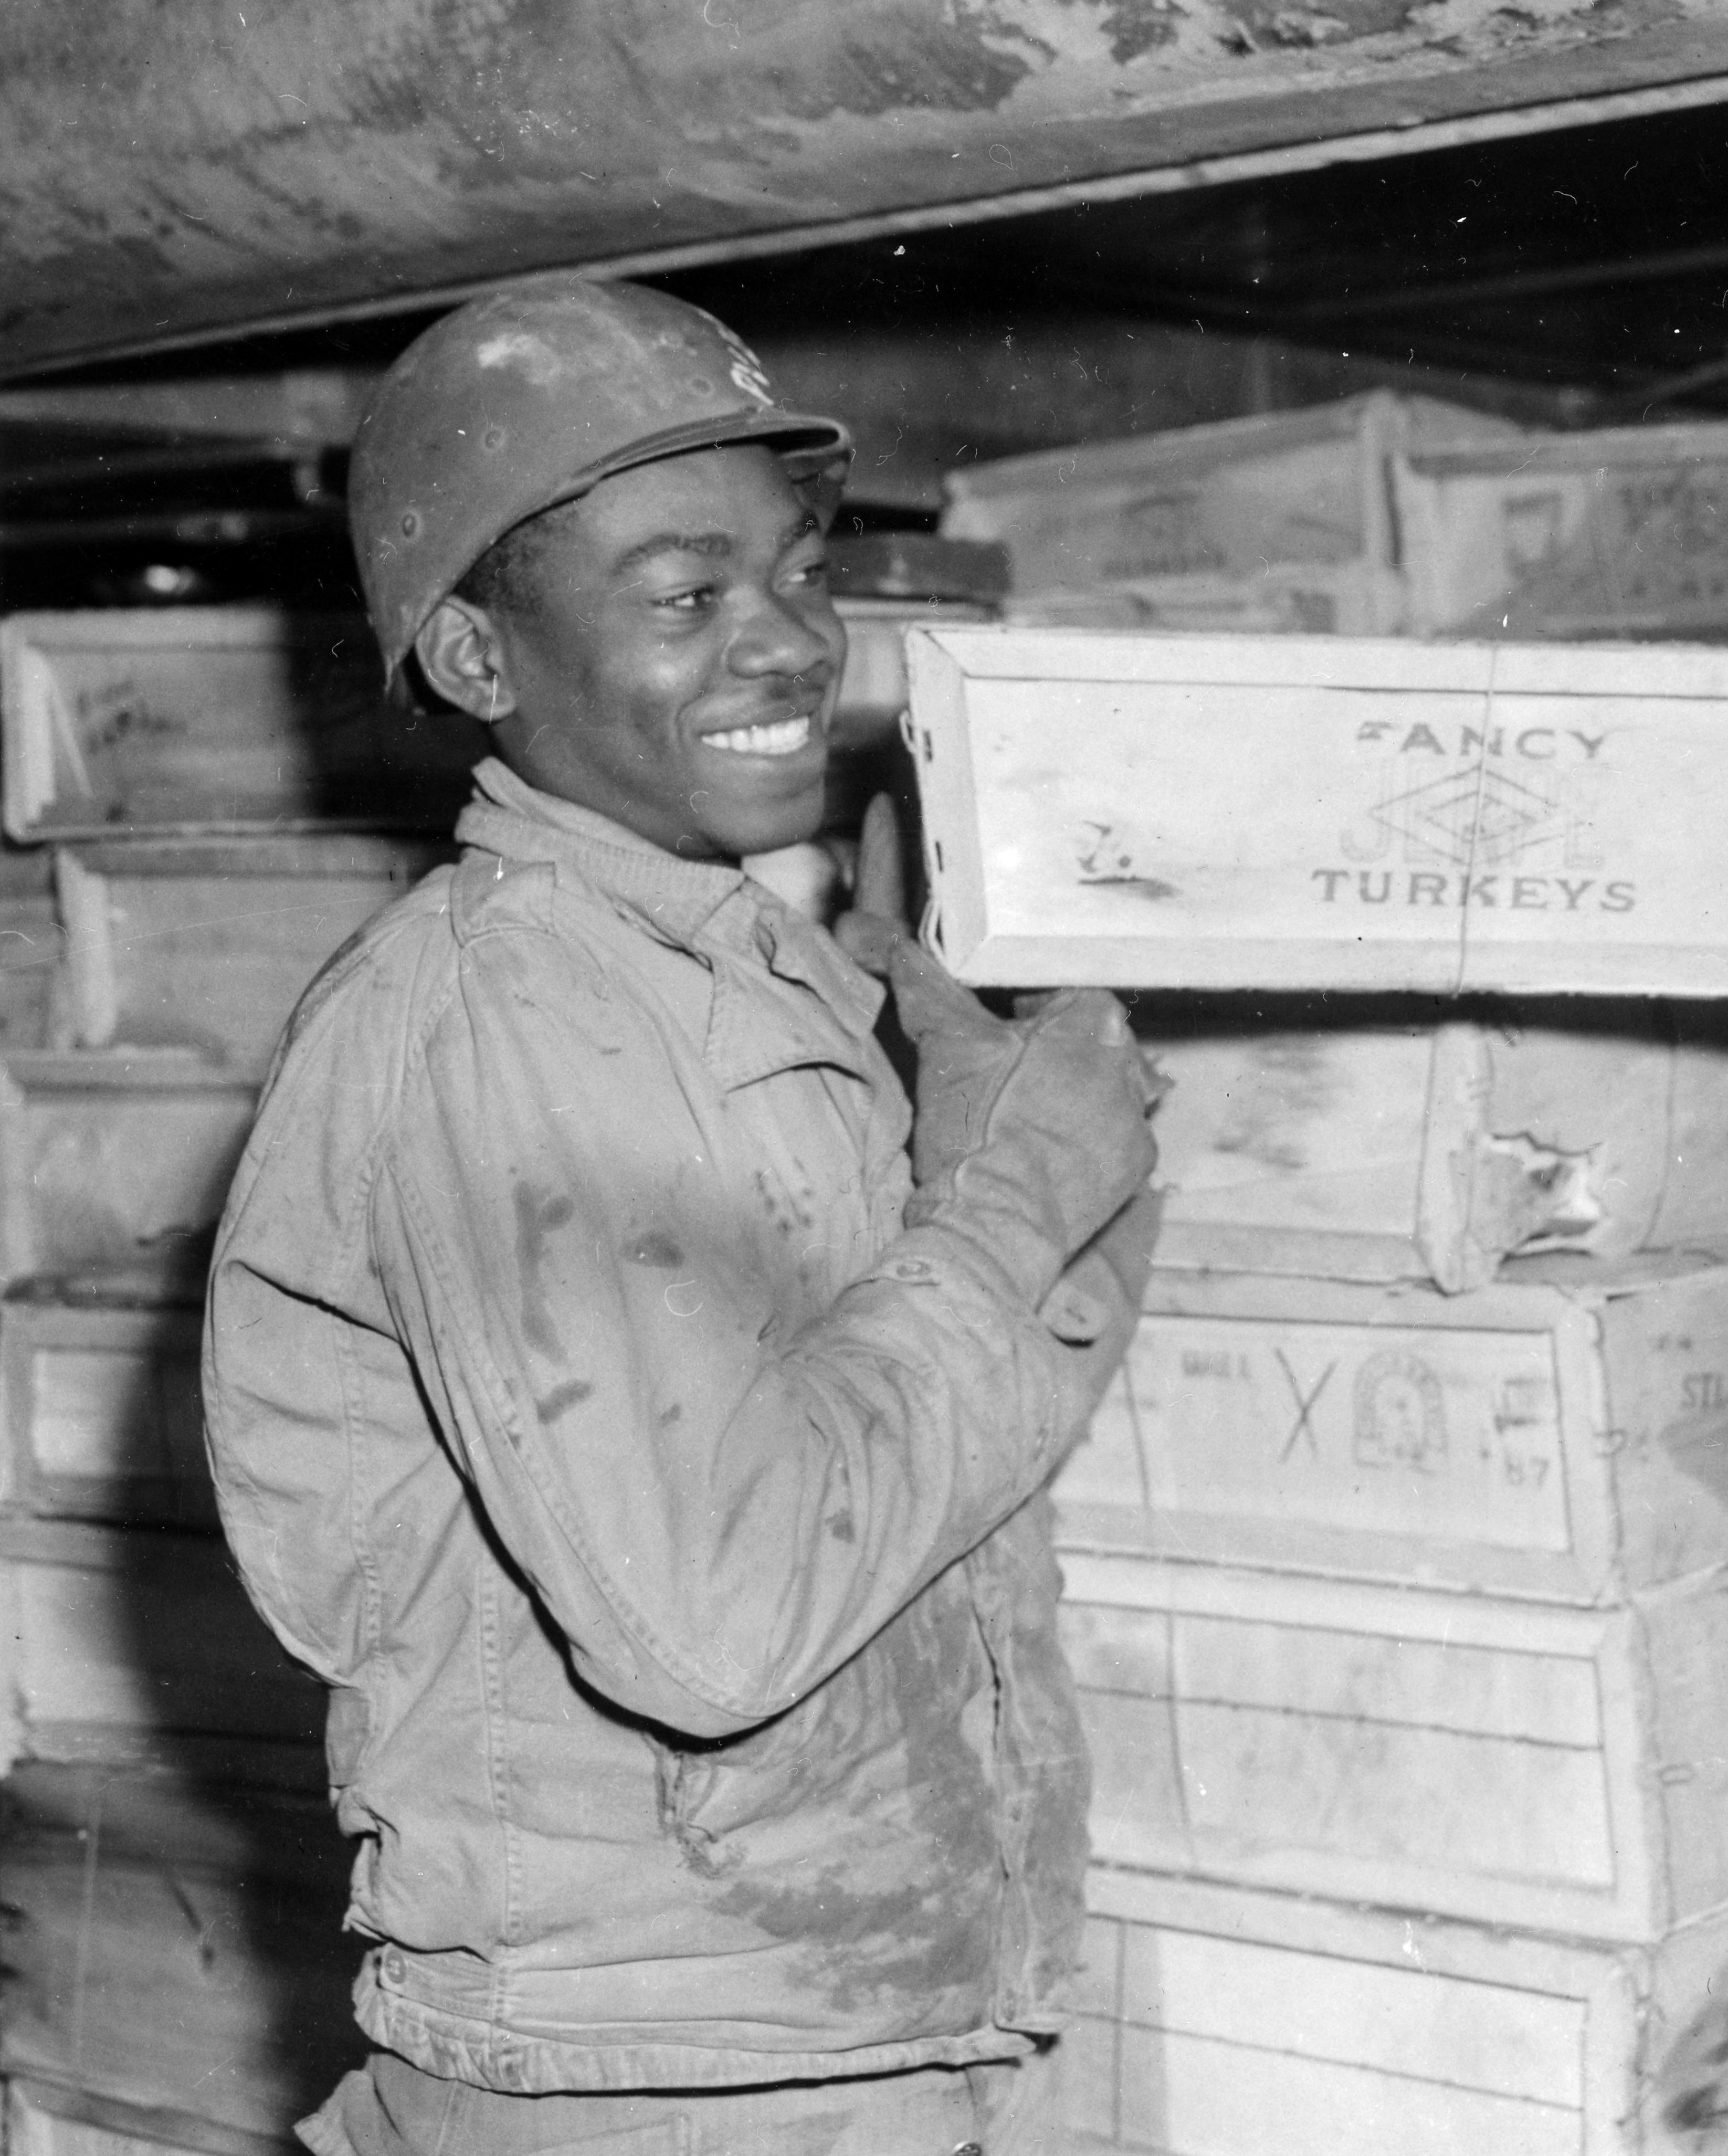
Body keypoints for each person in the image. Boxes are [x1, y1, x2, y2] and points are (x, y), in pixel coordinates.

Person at [202, 280, 1160, 2155]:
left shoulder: (733, 970)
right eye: (684, 594)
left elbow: (940, 1449)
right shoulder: (500, 1019)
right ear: (480, 659)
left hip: (848, 2023)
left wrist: (1045, 1166)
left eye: (796, 572)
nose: (791, 640)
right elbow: (713, 1624)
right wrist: (1006, 1202)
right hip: (654, 2086)